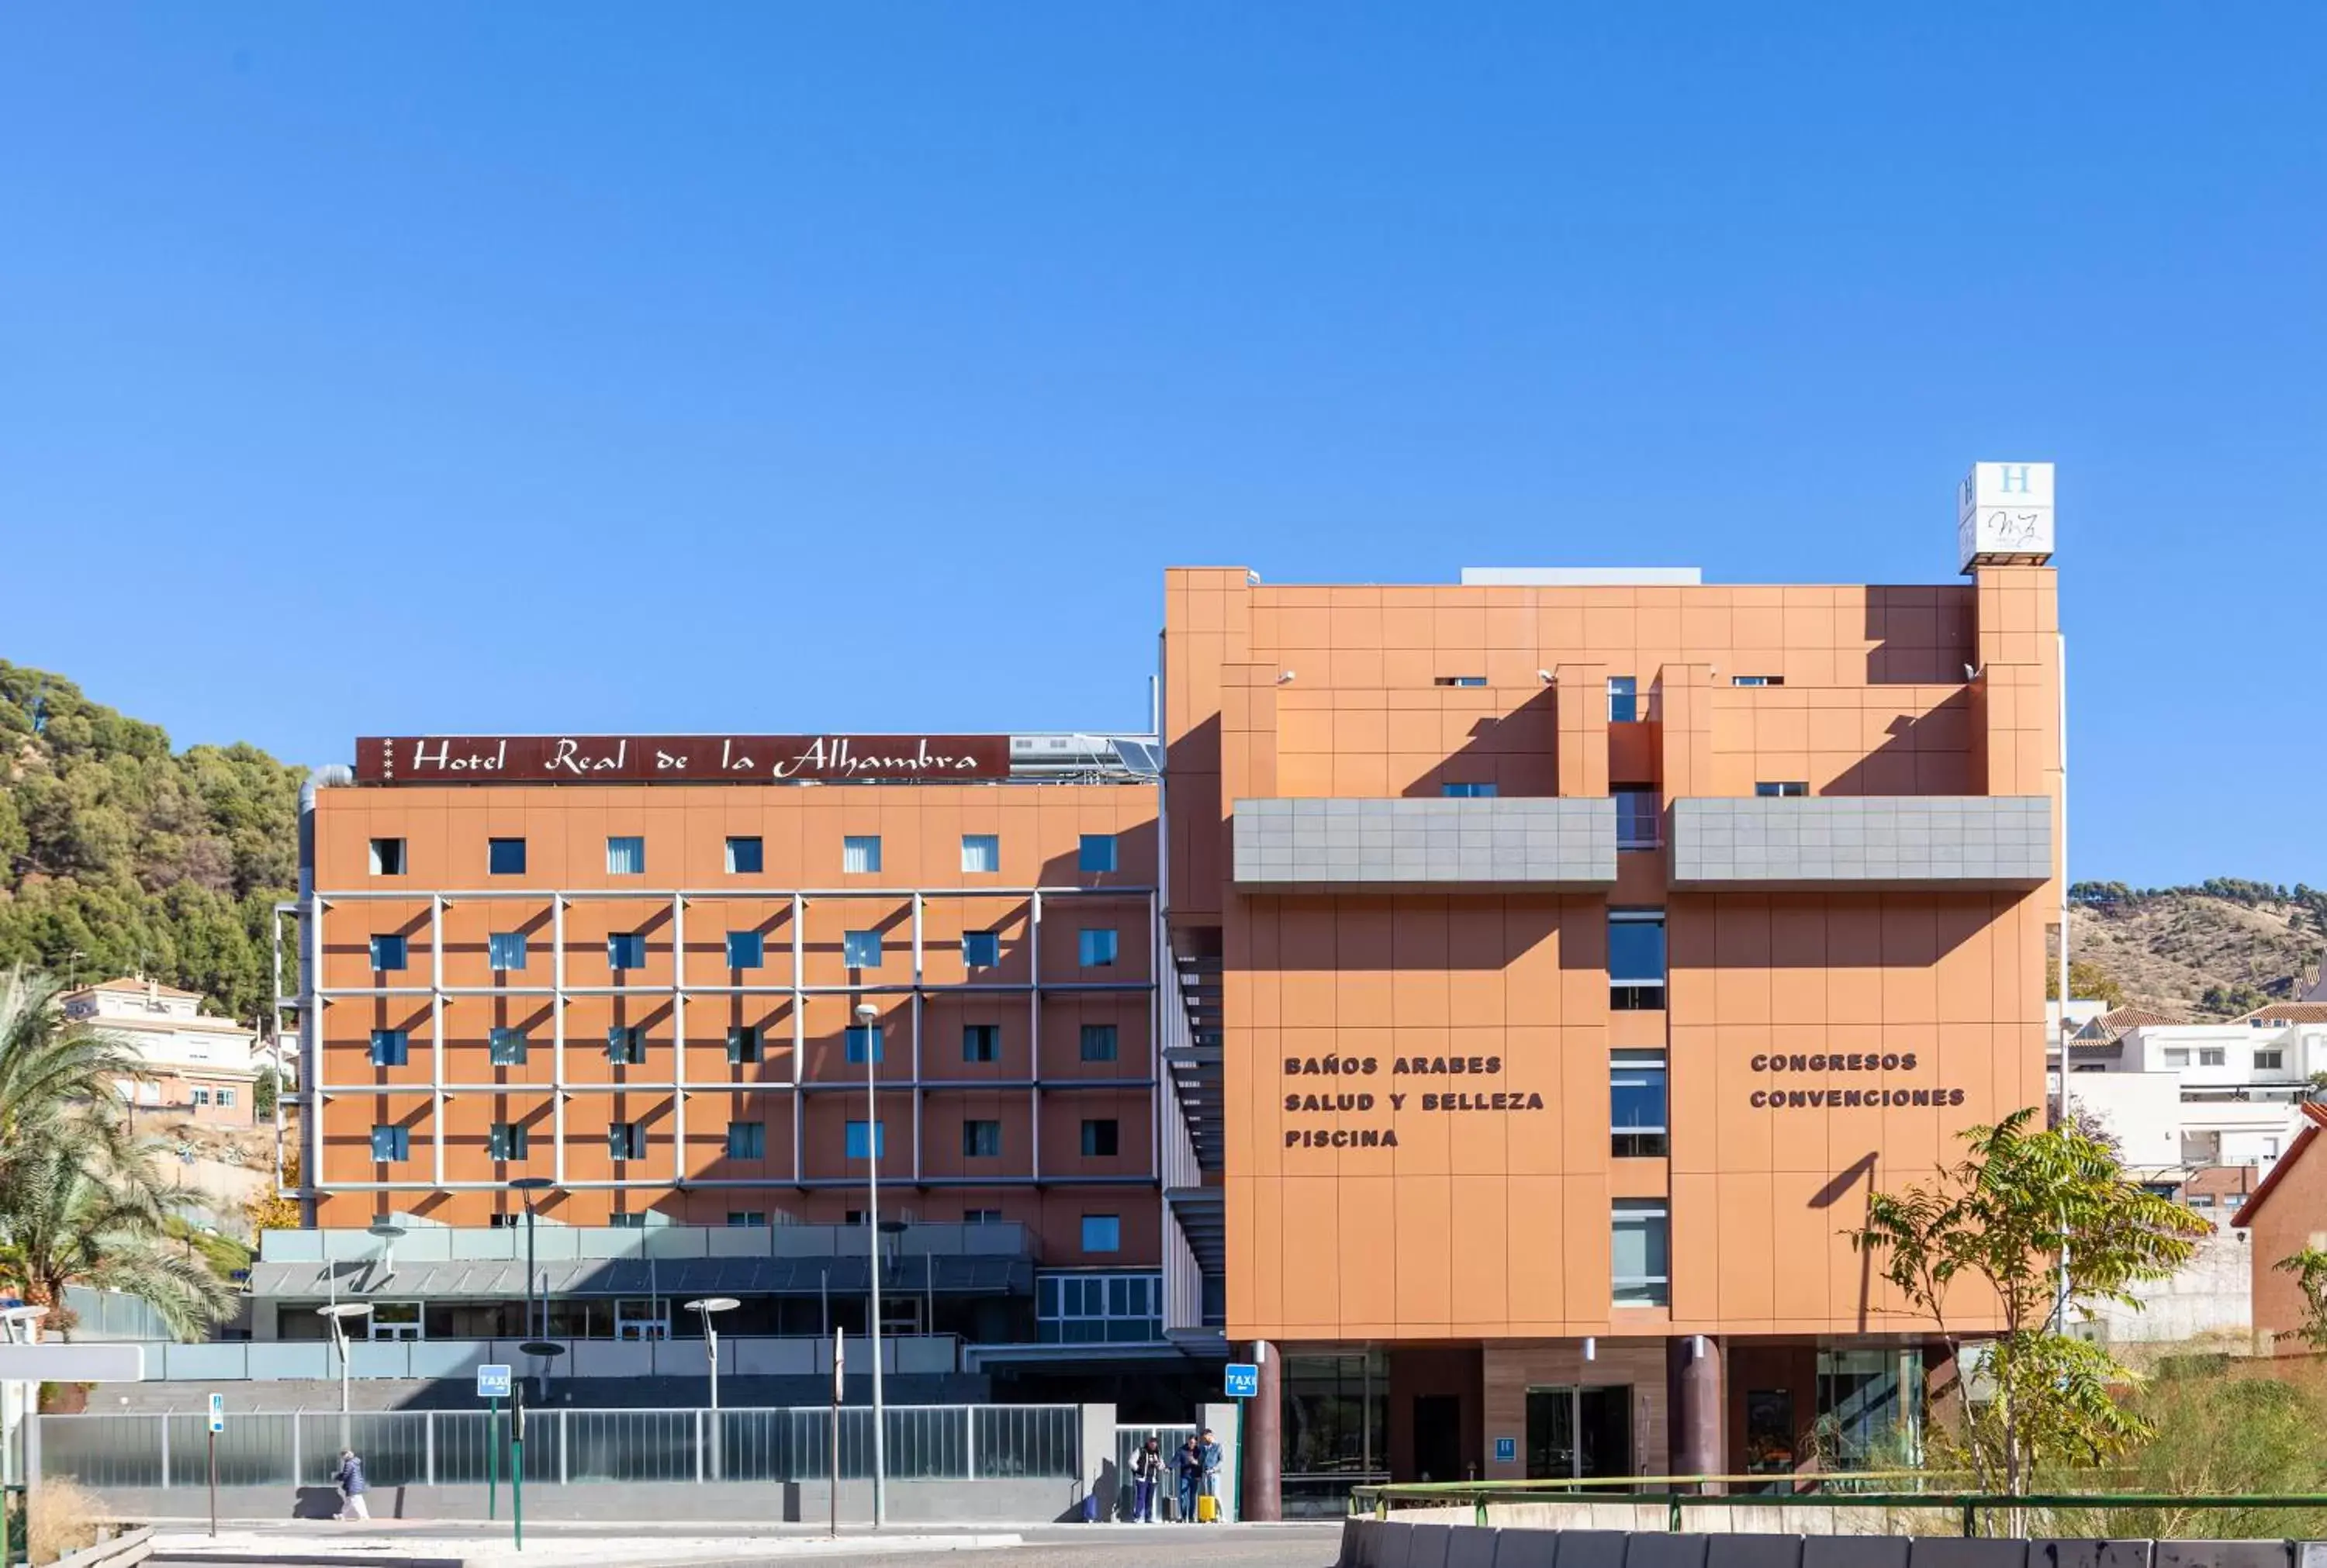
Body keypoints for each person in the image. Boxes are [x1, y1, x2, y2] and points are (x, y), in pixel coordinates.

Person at [1130, 1435, 1163, 1524]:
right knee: (1141, 1498)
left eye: (1155, 1443)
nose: (1153, 1445)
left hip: (1152, 1479)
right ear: (1148, 1443)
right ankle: (1136, 1517)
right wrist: (1138, 1469)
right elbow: (1131, 1461)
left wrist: (1158, 1465)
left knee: (1150, 1499)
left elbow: (1162, 1465)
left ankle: (1148, 1517)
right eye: (1151, 1443)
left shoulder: (1157, 1453)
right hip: (1142, 1479)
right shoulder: (1141, 1451)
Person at [1175, 1433, 1204, 1523]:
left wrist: (1199, 1473)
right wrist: (1169, 1467)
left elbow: (1201, 1464)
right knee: (1183, 1497)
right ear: (1188, 1441)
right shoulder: (1182, 1450)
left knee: (1192, 1497)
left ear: (1196, 1443)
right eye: (1190, 1442)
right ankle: (1184, 1516)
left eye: (1193, 1443)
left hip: (1195, 1477)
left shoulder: (1198, 1451)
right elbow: (1176, 1459)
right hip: (1185, 1476)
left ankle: (1191, 1517)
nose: (1191, 1444)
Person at [335, 1448, 369, 1521]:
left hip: (353, 1486)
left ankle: (363, 1516)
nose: (342, 1458)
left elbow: (345, 1475)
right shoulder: (355, 1463)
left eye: (343, 1456)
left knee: (356, 1502)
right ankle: (342, 1515)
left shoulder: (349, 1464)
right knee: (350, 1501)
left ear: (346, 1456)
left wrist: (338, 1477)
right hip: (356, 1485)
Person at [1198, 1426, 1223, 1520]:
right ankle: (1210, 1516)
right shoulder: (1203, 1447)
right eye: (1203, 1438)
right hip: (1205, 1473)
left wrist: (1214, 1469)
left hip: (1214, 1474)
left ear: (1210, 1436)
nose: (1204, 1440)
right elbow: (1201, 1461)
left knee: (1215, 1495)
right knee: (1207, 1495)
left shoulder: (1217, 1446)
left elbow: (1221, 1460)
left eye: (1205, 1437)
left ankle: (1221, 1515)